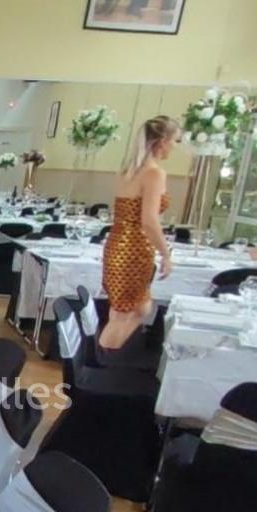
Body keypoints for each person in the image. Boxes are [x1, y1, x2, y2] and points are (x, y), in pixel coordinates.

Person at [98, 115, 180, 352]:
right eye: (175, 140)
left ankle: (105, 354)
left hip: (118, 244)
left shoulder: (129, 171)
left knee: (138, 309)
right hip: (133, 249)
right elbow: (149, 221)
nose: (175, 146)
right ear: (162, 141)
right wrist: (166, 254)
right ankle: (101, 359)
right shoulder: (154, 173)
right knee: (124, 312)